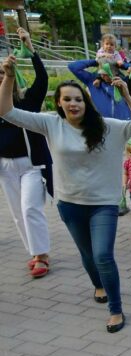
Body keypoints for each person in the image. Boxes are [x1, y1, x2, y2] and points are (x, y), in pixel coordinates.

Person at [0, 57, 131, 333]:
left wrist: (127, 94)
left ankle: (116, 308)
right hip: (69, 204)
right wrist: (8, 78)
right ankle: (97, 284)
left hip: (103, 204)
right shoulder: (50, 124)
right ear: (58, 103)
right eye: (67, 99)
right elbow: (7, 112)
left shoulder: (108, 126)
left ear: (86, 101)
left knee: (103, 255)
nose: (73, 104)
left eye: (78, 99)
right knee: (87, 255)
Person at [0, 28, 53, 279]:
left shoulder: (27, 102)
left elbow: (42, 79)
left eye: (3, 75)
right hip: (6, 167)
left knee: (30, 208)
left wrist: (29, 47)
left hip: (32, 165)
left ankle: (43, 255)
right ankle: (34, 252)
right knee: (17, 213)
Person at [68, 55, 131, 120]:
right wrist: (96, 61)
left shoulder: (123, 82)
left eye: (106, 73)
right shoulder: (92, 81)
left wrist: (122, 65)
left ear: (115, 72)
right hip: (100, 126)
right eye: (101, 73)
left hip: (124, 125)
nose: (103, 76)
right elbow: (73, 66)